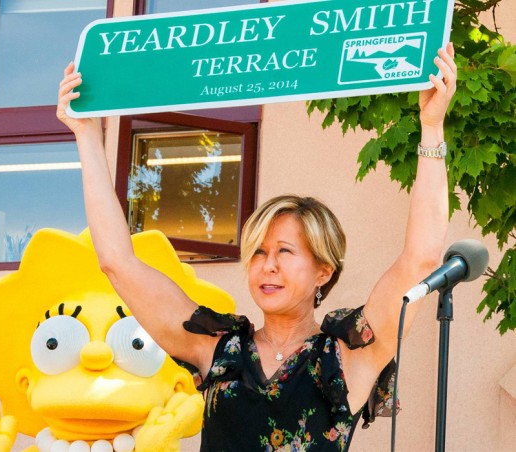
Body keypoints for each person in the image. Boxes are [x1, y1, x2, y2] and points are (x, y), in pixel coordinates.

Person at [57, 42, 457, 451]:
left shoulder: (348, 357)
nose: (267, 265)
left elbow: (421, 259)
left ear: (324, 270)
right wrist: (87, 135)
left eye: (285, 252)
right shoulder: (216, 349)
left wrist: (431, 127)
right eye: (259, 253)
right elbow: (117, 263)